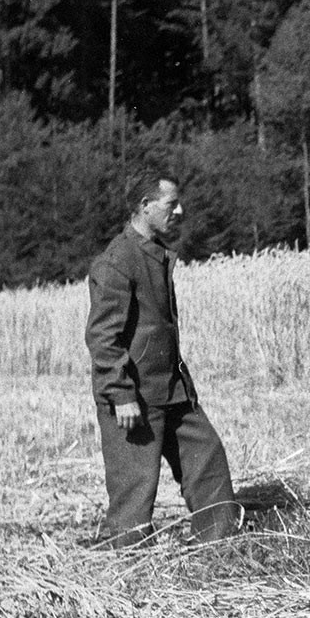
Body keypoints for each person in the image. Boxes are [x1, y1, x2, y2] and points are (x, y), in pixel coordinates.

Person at [86, 178, 241, 546]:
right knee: (134, 493)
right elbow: (102, 338)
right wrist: (120, 393)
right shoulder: (117, 261)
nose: (180, 211)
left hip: (172, 389)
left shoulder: (154, 252)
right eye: (171, 204)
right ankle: (129, 564)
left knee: (207, 457)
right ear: (145, 205)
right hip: (134, 396)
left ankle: (218, 543)